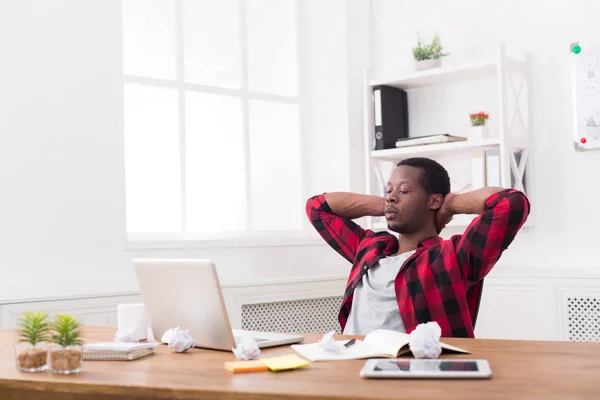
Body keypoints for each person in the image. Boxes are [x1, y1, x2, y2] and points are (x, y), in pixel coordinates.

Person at [306, 157, 530, 338]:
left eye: (404, 191)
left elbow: (511, 203)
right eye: (388, 190)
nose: (391, 197)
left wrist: (450, 204)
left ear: (434, 201)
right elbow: (317, 208)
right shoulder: (370, 248)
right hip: (350, 368)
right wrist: (387, 204)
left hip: (411, 375)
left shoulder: (452, 257)